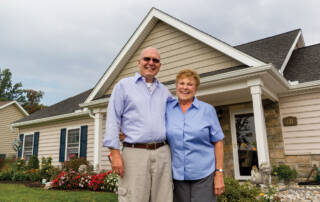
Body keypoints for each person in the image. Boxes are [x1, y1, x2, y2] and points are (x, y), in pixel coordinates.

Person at [103, 47, 173, 202]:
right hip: (134, 153)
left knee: (164, 198)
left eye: (155, 60)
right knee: (133, 198)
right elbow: (113, 118)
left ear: (160, 65)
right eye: (147, 59)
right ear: (139, 62)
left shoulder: (165, 92)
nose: (151, 63)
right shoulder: (124, 86)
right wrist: (114, 153)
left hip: (163, 153)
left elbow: (177, 117)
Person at [166, 69, 225, 202]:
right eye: (181, 83)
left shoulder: (207, 110)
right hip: (177, 176)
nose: (185, 87)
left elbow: (218, 142)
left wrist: (219, 173)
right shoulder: (167, 109)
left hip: (204, 175)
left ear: (196, 89)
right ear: (176, 86)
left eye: (190, 84)